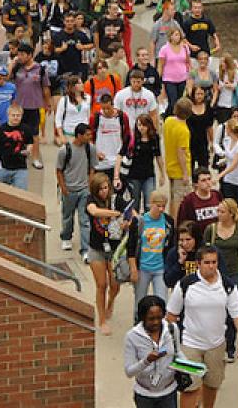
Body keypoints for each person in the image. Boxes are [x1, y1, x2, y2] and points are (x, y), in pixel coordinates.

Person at [166, 244, 238, 408]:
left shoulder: (227, 285)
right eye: (207, 262)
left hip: (216, 345)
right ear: (198, 263)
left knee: (212, 385)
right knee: (188, 388)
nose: (211, 266)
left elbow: (237, 313)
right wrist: (172, 345)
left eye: (214, 262)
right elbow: (171, 315)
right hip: (189, 345)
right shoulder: (185, 284)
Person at [203, 199, 238, 362]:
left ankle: (230, 347)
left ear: (231, 213)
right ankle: (215, 344)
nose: (219, 214)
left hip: (235, 273)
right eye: (218, 211)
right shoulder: (211, 229)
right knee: (217, 310)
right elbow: (204, 252)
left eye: (222, 211)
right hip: (215, 274)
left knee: (231, 312)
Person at [123, 295, 182, 408]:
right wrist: (147, 361)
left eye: (159, 317)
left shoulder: (172, 329)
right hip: (144, 395)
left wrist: (193, 368)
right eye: (151, 319)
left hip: (169, 392)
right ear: (142, 317)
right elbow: (129, 372)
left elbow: (178, 353)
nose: (156, 322)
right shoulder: (132, 336)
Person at [86, 173, 124, 336]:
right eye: (100, 189)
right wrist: (114, 214)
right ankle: (102, 320)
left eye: (106, 188)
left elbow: (131, 213)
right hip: (97, 248)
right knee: (101, 285)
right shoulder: (90, 200)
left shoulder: (116, 199)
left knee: (115, 285)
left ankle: (111, 302)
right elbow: (93, 212)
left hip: (115, 250)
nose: (103, 191)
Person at [56, 123, 99, 259]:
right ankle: (66, 237)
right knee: (67, 217)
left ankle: (86, 250)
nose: (90, 136)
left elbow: (92, 168)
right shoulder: (65, 150)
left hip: (84, 190)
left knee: (85, 220)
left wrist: (89, 185)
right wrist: (63, 188)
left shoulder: (90, 148)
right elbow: (59, 170)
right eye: (87, 134)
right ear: (79, 135)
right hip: (69, 190)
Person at [127, 191, 175, 308]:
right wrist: (133, 269)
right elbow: (131, 247)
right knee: (140, 301)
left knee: (162, 301)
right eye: (158, 206)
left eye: (163, 206)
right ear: (151, 204)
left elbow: (171, 245)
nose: (161, 209)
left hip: (160, 268)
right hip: (143, 268)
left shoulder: (168, 222)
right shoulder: (139, 221)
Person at [11, 42, 52, 170]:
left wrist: (48, 104)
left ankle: (35, 158)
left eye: (22, 54)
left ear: (30, 55)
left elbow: (45, 88)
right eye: (18, 54)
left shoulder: (40, 69)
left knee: (34, 134)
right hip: (19, 107)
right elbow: (6, 78)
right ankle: (16, 157)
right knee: (16, 133)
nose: (20, 57)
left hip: (34, 107)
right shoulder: (17, 68)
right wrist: (12, 63)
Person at [116, 113, 165, 213]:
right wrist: (116, 175)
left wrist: (162, 174)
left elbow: (158, 156)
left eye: (144, 125)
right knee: (134, 204)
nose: (141, 128)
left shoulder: (154, 138)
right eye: (139, 125)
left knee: (149, 203)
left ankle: (148, 225)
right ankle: (135, 225)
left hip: (149, 175)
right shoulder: (131, 138)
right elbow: (120, 155)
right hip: (133, 176)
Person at [0, 104, 33, 191]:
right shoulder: (0, 129)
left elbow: (30, 143)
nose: (15, 118)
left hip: (20, 168)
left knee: (21, 194)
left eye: (18, 115)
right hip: (2, 167)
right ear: (8, 115)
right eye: (13, 115)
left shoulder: (26, 129)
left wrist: (28, 150)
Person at [215, 118, 238, 220]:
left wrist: (220, 175)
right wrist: (222, 161)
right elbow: (229, 157)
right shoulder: (227, 141)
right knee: (228, 202)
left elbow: (235, 164)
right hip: (229, 177)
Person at [89, 93, 131, 180]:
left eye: (108, 108)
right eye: (103, 108)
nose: (106, 111)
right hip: (101, 162)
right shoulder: (95, 118)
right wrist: (95, 153)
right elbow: (89, 138)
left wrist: (123, 154)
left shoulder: (122, 117)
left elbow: (127, 136)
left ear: (113, 105)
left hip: (117, 161)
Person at [164, 98, 192, 217]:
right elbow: (181, 152)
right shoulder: (183, 131)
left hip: (170, 166)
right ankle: (176, 226)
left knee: (172, 198)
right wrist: (185, 173)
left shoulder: (168, 121)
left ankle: (171, 221)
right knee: (179, 201)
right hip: (179, 170)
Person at [158, 26, 191, 117]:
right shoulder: (164, 49)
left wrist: (190, 76)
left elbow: (188, 63)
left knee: (179, 102)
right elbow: (161, 65)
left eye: (179, 34)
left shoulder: (185, 48)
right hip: (169, 79)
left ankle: (166, 115)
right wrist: (159, 79)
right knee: (173, 101)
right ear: (171, 36)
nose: (178, 37)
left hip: (182, 78)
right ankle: (171, 118)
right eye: (176, 34)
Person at [54, 76, 91, 144]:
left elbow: (88, 116)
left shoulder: (88, 98)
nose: (82, 84)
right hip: (69, 134)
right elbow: (58, 119)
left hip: (84, 135)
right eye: (79, 83)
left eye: (82, 82)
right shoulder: (64, 100)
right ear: (73, 87)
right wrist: (61, 135)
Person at [186, 85, 215, 170]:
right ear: (193, 95)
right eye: (197, 94)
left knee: (204, 168)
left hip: (203, 142)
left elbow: (209, 127)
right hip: (189, 141)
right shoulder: (188, 107)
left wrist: (212, 142)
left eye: (201, 94)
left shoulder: (208, 108)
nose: (199, 96)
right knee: (190, 168)